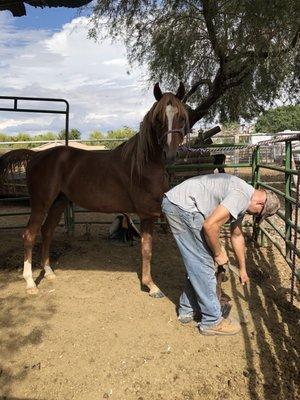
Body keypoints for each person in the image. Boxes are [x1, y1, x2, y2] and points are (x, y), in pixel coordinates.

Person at [161, 173, 280, 336]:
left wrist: (242, 269)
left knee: (197, 261)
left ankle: (187, 309)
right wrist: (218, 253)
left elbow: (237, 235)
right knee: (204, 264)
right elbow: (210, 226)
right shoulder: (241, 196)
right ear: (260, 203)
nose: (253, 216)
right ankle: (211, 321)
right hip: (183, 208)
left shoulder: (245, 197)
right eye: (257, 214)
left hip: (178, 203)